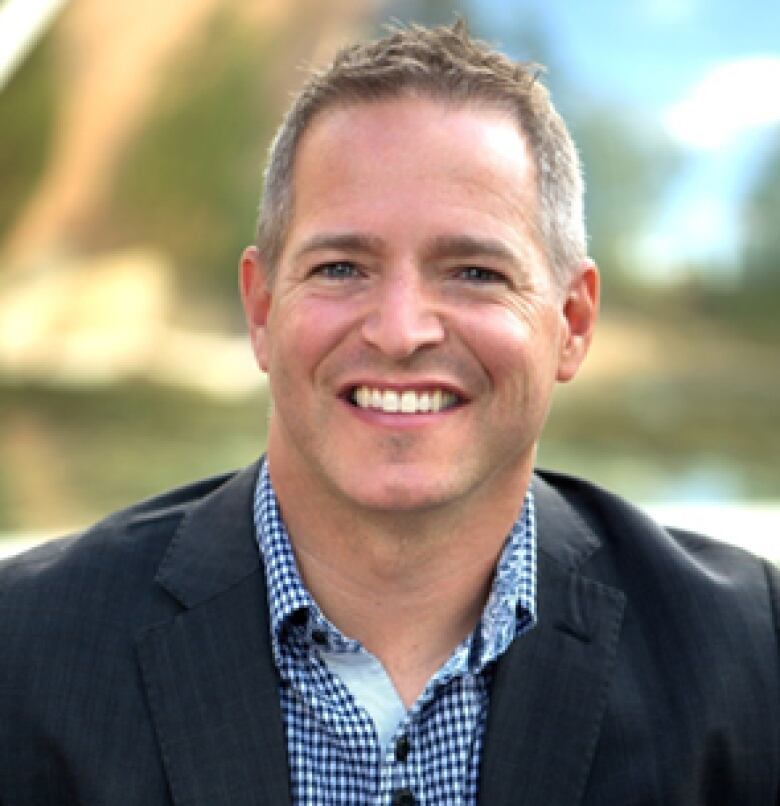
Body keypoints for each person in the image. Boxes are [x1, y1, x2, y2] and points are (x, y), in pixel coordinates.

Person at [0, 20, 778, 806]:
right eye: (341, 267)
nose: (401, 331)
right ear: (262, 308)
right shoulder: (24, 650)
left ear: (571, 322)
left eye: (473, 271)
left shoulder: (749, 657)